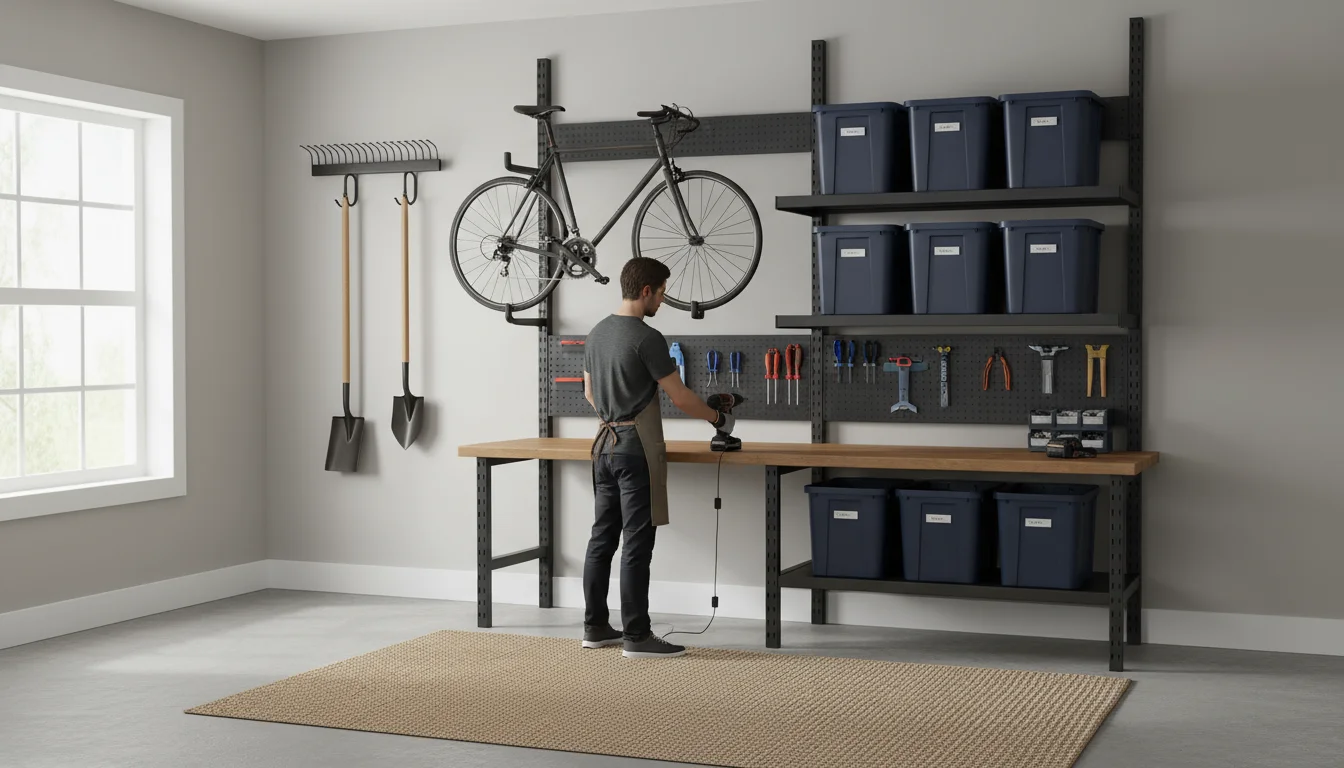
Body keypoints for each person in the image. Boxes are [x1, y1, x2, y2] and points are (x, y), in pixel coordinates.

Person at [581, 258, 735, 658]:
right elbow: (681, 397)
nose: (664, 300)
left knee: (602, 539)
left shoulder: (596, 333)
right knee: (636, 543)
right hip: (635, 449)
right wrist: (718, 418)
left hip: (602, 445)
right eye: (663, 291)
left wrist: (614, 415)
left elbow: (589, 394)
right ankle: (637, 637)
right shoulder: (646, 337)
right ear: (646, 290)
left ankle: (595, 627)